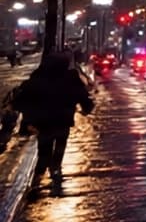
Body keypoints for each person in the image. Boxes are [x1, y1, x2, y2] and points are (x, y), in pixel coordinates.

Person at [12, 53, 94, 188]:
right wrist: (87, 107)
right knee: (60, 143)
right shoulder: (70, 78)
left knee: (45, 145)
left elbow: (24, 96)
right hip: (63, 119)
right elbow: (82, 95)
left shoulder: (39, 77)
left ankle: (41, 171)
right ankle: (54, 167)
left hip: (44, 121)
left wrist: (25, 115)